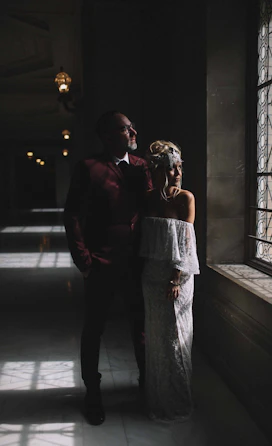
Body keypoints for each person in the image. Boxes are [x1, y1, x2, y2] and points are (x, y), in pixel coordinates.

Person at [63, 110, 152, 426]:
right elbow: (72, 215)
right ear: (107, 135)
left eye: (131, 126)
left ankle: (147, 386)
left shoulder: (143, 166)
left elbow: (153, 210)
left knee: (141, 328)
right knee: (94, 329)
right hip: (100, 262)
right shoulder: (89, 168)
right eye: (127, 128)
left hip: (137, 262)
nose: (133, 131)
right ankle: (93, 393)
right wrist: (83, 261)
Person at [139, 140, 200, 422]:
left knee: (177, 338)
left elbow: (186, 245)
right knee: (156, 339)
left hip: (178, 277)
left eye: (179, 167)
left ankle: (177, 399)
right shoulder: (149, 198)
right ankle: (157, 397)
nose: (177, 172)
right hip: (152, 277)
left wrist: (175, 279)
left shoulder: (185, 198)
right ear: (158, 170)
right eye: (170, 168)